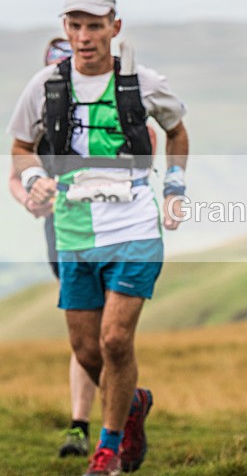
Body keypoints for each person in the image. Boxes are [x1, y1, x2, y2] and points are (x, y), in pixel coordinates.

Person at [7, 0, 189, 475]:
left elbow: (176, 130)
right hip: (73, 230)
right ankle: (132, 403)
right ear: (65, 28)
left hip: (133, 225)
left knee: (113, 340)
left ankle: (106, 449)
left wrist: (174, 186)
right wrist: (36, 178)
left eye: (94, 25)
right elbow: (21, 147)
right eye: (75, 25)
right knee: (86, 349)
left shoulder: (143, 82)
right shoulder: (46, 84)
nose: (85, 35)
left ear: (115, 27)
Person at [8, 37, 97, 458]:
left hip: (112, 231)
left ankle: (107, 422)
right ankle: (87, 425)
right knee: (85, 335)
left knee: (107, 335)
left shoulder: (109, 107)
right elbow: (16, 171)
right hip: (60, 233)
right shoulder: (40, 115)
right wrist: (30, 196)